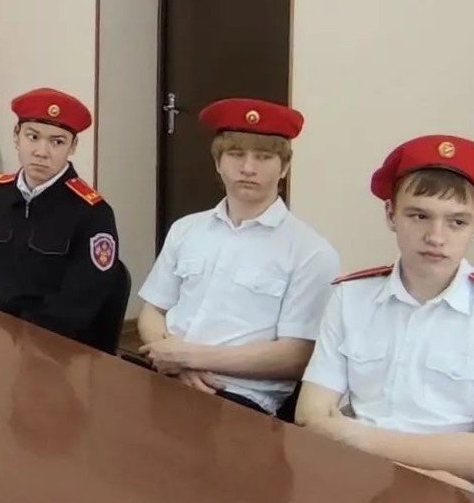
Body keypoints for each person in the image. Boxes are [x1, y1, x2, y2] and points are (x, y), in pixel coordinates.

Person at [296, 136, 474, 500]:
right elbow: (309, 416)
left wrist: (357, 437)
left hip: (458, 500)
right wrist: (411, 469)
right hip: (357, 484)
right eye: (419, 216)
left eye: (457, 221)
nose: (436, 237)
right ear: (391, 215)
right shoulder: (351, 297)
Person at [135, 98, 339, 415]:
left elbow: (296, 355)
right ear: (218, 162)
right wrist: (175, 362)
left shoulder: (310, 252)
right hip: (165, 373)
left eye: (264, 157)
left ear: (285, 167)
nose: (248, 168)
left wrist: (188, 358)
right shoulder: (186, 229)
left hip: (239, 395)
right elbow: (152, 310)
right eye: (235, 154)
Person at [0, 88, 121, 350]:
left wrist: (21, 345)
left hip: (48, 349)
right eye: (32, 137)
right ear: (16, 136)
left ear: (72, 147)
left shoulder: (92, 213)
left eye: (57, 142)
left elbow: (78, 304)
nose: (41, 152)